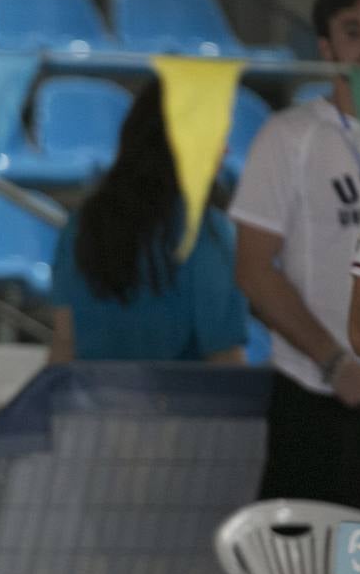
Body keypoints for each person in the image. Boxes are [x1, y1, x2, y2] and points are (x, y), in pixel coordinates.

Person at [233, 0, 360, 574]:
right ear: (326, 49)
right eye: (353, 31)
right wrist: (334, 361)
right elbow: (254, 268)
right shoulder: (293, 139)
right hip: (319, 402)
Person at [49, 80, 247, 364]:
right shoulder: (209, 234)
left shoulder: (82, 224)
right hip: (184, 404)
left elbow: (64, 346)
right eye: (218, 137)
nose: (225, 151)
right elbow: (224, 355)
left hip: (93, 402)